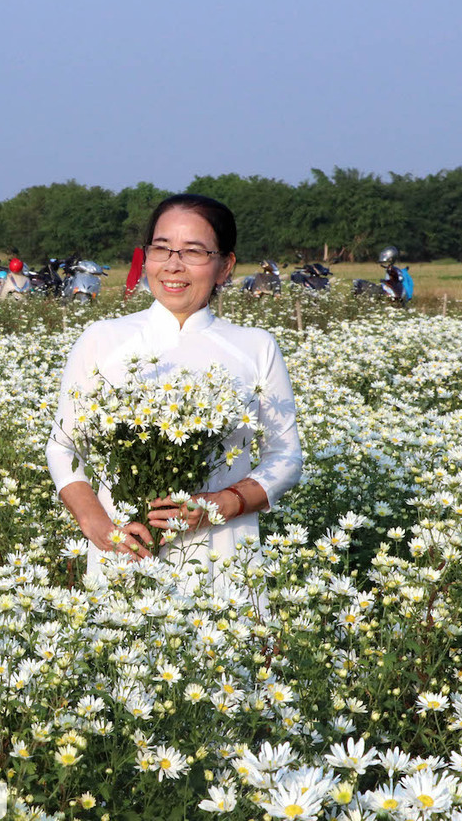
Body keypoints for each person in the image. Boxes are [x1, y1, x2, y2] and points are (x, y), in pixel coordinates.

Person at [47, 194, 303, 576]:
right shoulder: (102, 339)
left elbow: (286, 457)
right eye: (162, 249)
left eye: (194, 252)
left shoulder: (255, 346)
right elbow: (63, 446)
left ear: (225, 266)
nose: (173, 265)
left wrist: (220, 504)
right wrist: (99, 526)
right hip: (123, 550)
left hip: (224, 554)